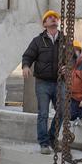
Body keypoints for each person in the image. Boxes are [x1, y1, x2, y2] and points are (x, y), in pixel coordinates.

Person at [22, 10, 65, 154]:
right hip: (43, 83)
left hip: (60, 82)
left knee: (62, 111)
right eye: (50, 18)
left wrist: (68, 66)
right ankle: (44, 143)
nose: (53, 19)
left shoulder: (65, 40)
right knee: (43, 114)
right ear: (44, 24)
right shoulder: (38, 41)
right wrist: (26, 66)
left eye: (55, 18)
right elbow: (28, 56)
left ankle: (53, 138)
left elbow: (72, 58)